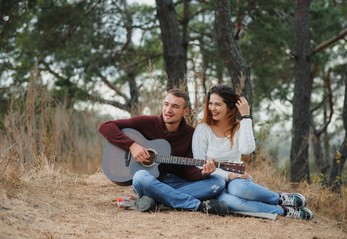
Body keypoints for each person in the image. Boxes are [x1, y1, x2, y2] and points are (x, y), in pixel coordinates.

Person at [98, 88, 228, 216]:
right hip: (150, 182)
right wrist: (131, 145)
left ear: (186, 111)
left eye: (175, 107)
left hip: (176, 183)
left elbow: (187, 171)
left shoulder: (191, 134)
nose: (168, 110)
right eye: (166, 104)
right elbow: (105, 126)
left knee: (218, 181)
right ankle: (197, 206)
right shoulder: (147, 122)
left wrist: (202, 173)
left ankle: (157, 199)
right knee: (140, 176)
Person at [192, 84, 313, 220]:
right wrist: (229, 175)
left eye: (218, 104)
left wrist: (246, 116)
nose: (212, 108)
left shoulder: (239, 127)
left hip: (237, 180)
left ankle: (280, 198)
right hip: (212, 182)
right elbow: (199, 165)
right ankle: (283, 211)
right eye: (210, 103)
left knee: (239, 190)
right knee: (232, 203)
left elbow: (247, 149)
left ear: (230, 107)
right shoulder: (202, 129)